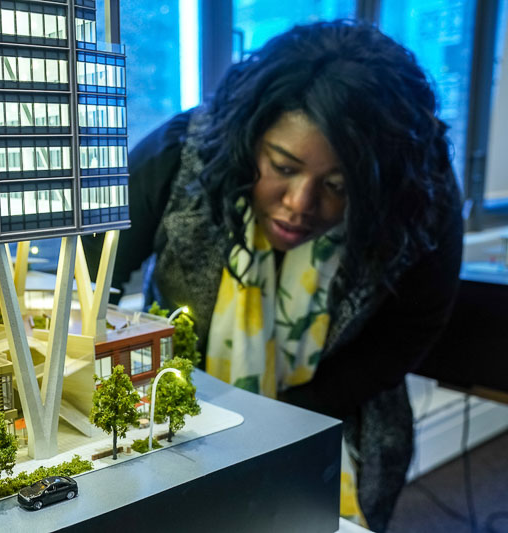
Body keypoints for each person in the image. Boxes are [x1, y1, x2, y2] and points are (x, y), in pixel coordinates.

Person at [86, 20, 463, 531]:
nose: (299, 205)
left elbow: (410, 331)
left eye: (337, 185)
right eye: (283, 167)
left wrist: (290, 420)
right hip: (179, 408)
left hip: (341, 420)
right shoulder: (184, 152)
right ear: (251, 138)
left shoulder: (419, 196)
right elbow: (89, 274)